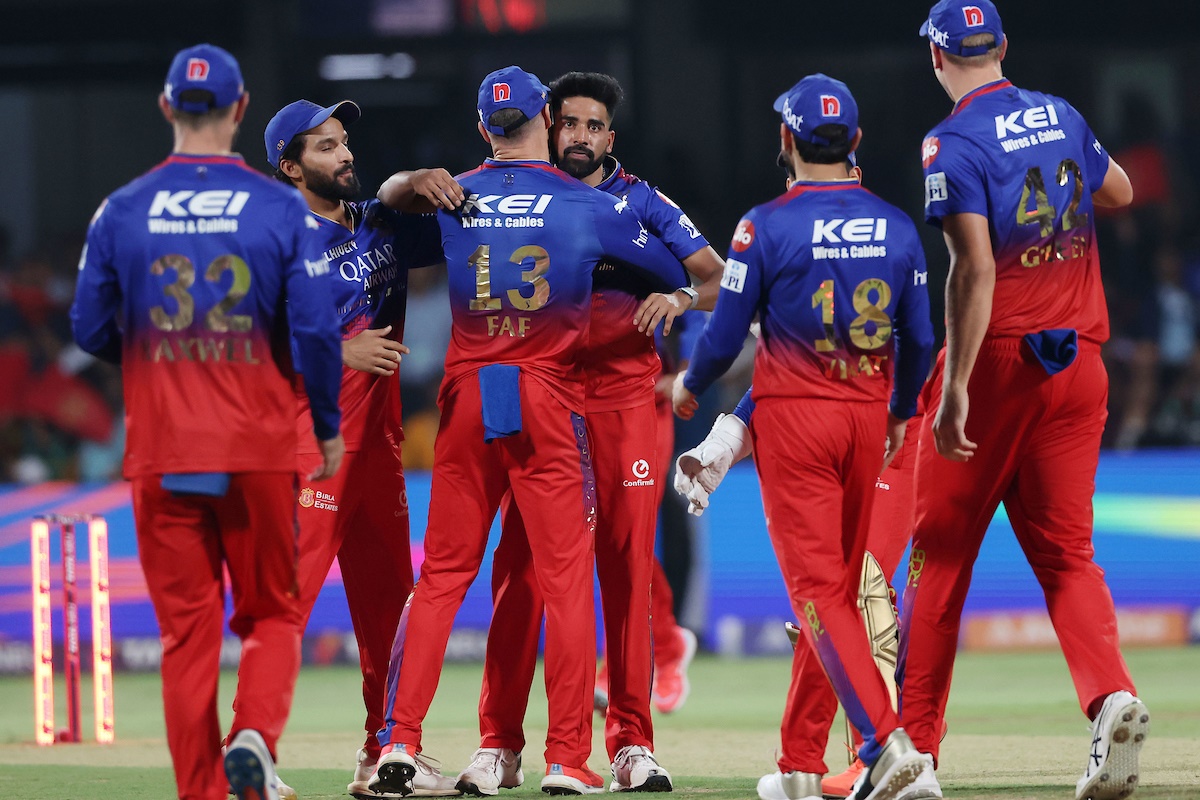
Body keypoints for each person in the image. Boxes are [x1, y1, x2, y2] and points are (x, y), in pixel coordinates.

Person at [369, 66, 691, 797]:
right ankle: (569, 759)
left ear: (484, 126)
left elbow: (380, 211)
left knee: (444, 576)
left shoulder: (453, 194)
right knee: (567, 579)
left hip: (469, 395)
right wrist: (670, 295)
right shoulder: (590, 204)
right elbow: (683, 271)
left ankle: (399, 741)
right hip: (549, 395)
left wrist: (412, 179)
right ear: (546, 118)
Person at [69, 44, 344, 800]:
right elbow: (319, 331)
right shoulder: (280, 207)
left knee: (185, 638)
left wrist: (156, 354)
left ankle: (201, 792)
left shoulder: (120, 209)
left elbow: (88, 326)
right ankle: (254, 732)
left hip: (160, 449)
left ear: (166, 109)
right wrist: (324, 424)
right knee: (272, 615)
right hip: (256, 446)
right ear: (240, 108)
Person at [902, 3, 1147, 799]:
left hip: (1000, 364)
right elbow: (1121, 190)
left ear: (939, 57)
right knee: (1068, 559)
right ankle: (1111, 698)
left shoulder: (952, 141)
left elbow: (972, 268)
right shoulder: (1062, 114)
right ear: (1002, 46)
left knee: (939, 561)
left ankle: (915, 756)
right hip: (1079, 362)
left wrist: (957, 388)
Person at [458, 70, 722, 796]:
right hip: (537, 400)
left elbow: (716, 278)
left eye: (592, 126)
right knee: (521, 573)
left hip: (624, 404)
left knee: (628, 568)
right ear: (548, 124)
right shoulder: (514, 196)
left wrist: (673, 297)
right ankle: (499, 744)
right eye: (567, 123)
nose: (577, 137)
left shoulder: (643, 202)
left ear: (612, 136)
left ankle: (632, 742)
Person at [673, 74, 935, 800]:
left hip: (794, 420)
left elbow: (725, 333)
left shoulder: (763, 226)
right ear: (854, 142)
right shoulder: (896, 225)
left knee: (819, 595)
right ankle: (796, 765)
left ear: (784, 142)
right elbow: (920, 336)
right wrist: (903, 409)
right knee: (837, 598)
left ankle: (886, 744)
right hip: (867, 418)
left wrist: (691, 385)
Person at [227, 98, 457, 799]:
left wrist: (442, 182)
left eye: (345, 141)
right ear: (292, 167)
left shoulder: (378, 223)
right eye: (325, 147)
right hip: (311, 446)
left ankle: (383, 753)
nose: (345, 154)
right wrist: (339, 346)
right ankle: (249, 751)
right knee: (284, 604)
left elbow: (462, 235)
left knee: (389, 605)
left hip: (379, 451)